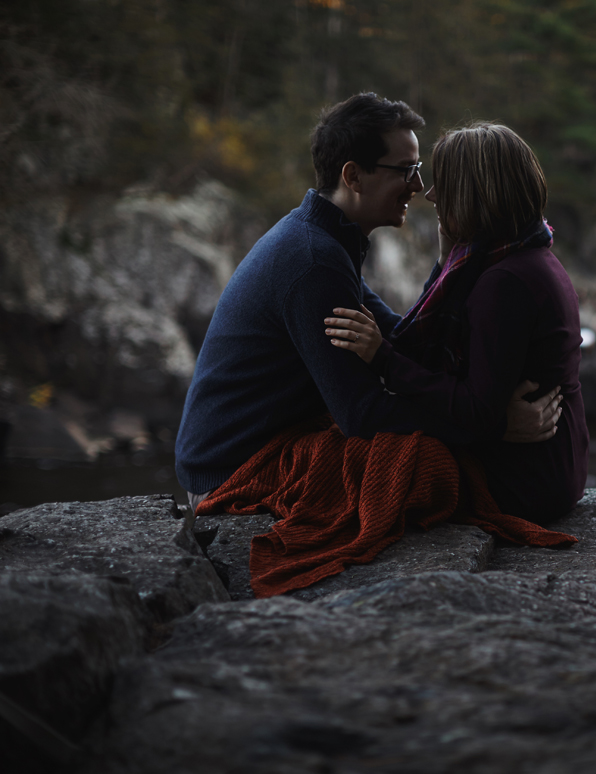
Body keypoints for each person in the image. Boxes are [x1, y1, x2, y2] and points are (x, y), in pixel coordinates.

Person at [175, 95, 560, 510]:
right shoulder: (313, 260)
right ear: (354, 176)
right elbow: (363, 416)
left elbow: (400, 338)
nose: (419, 186)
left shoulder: (324, 242)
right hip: (234, 471)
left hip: (257, 446)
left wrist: (446, 262)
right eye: (407, 170)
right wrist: (495, 427)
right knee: (433, 466)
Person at [323, 122, 588, 524]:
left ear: (474, 192)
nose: (429, 194)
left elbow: (475, 410)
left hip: (525, 483)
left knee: (352, 468)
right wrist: (444, 264)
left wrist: (383, 359)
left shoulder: (505, 281)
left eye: (443, 183)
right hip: (552, 468)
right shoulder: (523, 255)